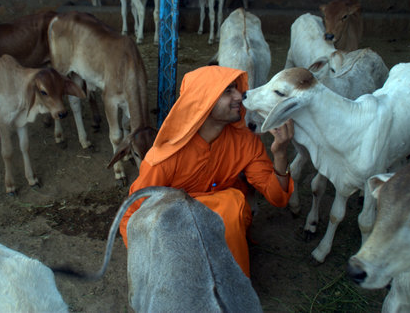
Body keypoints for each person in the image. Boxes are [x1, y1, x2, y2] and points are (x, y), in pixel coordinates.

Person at [119, 65, 294, 277]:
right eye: (228, 91)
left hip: (225, 228)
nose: (240, 96)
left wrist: (281, 154)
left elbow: (277, 198)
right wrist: (149, 266)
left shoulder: (246, 142)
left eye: (237, 89)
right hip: (178, 233)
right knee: (226, 205)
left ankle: (230, 286)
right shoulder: (166, 157)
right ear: (204, 101)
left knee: (231, 205)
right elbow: (133, 214)